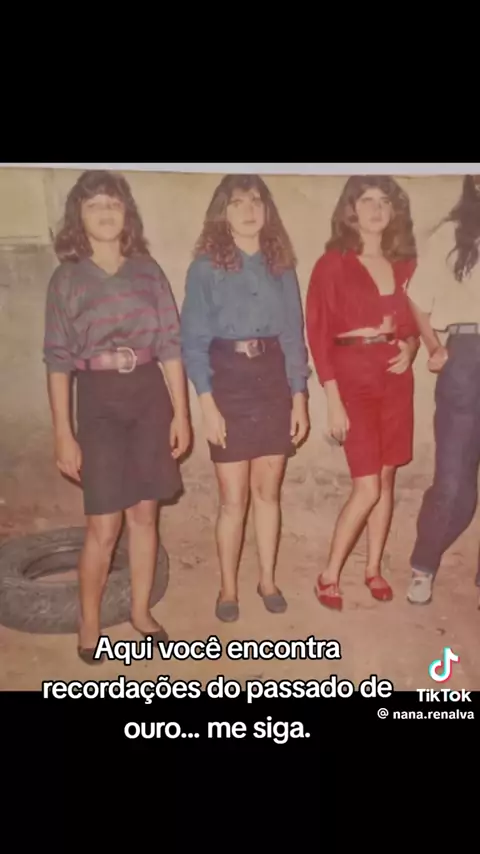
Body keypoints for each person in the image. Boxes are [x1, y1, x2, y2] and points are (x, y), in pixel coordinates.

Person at [43, 169, 191, 663]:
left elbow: (171, 345)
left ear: (127, 213)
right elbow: (57, 361)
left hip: (149, 395)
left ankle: (140, 612)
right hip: (98, 400)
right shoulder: (67, 279)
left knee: (145, 516)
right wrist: (64, 434)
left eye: (113, 203)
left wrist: (181, 414)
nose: (105, 212)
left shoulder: (148, 271)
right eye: (94, 205)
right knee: (104, 527)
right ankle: (89, 621)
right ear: (78, 217)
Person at [180, 174, 310, 622]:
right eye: (237, 202)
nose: (249, 210)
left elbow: (293, 336)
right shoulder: (204, 269)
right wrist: (207, 405)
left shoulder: (281, 266)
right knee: (232, 498)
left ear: (267, 209)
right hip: (228, 381)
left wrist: (299, 397)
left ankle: (267, 580)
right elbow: (193, 343)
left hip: (272, 381)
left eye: (256, 201)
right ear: (223, 212)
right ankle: (228, 588)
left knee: (268, 492)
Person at [305, 175, 419, 610]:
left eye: (384, 201)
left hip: (396, 380)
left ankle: (372, 569)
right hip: (353, 379)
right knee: (367, 485)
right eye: (366, 200)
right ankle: (329, 574)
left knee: (387, 478)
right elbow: (318, 335)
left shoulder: (404, 265)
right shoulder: (332, 263)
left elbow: (413, 325)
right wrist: (332, 399)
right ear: (350, 210)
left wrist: (410, 347)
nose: (376, 208)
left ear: (394, 210)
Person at [406, 174, 480, 607]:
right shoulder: (451, 234)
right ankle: (423, 565)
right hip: (467, 357)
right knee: (454, 484)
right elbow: (416, 298)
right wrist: (434, 346)